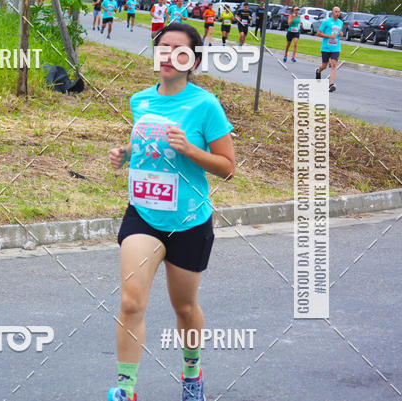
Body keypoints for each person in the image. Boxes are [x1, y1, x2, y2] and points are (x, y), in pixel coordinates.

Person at [107, 22, 236, 401]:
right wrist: (125, 153)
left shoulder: (206, 105)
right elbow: (147, 144)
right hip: (143, 215)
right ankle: (126, 389)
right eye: (163, 47)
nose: (168, 55)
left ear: (192, 61)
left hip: (189, 221)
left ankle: (192, 373)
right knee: (131, 302)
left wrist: (190, 150)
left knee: (184, 307)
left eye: (179, 50)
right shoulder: (140, 100)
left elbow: (228, 168)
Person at [315, 6, 343, 92]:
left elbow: (339, 32)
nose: (337, 13)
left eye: (339, 12)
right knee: (324, 66)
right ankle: (318, 71)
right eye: (336, 12)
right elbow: (318, 33)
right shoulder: (326, 22)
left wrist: (341, 34)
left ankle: (331, 85)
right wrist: (329, 36)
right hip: (326, 48)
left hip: (336, 48)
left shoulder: (340, 22)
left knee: (334, 65)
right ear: (332, 12)